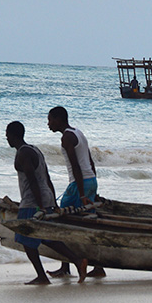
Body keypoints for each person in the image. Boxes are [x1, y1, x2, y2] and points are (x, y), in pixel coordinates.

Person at [6, 121, 88, 285]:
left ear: (14, 136)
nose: (6, 138)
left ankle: (42, 276)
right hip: (46, 197)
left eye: (7, 135)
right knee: (46, 237)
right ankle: (78, 261)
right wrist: (52, 201)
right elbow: (47, 177)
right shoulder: (35, 149)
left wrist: (40, 206)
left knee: (25, 237)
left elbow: (33, 180)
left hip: (32, 201)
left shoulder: (23, 153)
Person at [46, 106, 105, 278]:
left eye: (50, 120)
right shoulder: (78, 133)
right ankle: (98, 265)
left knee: (61, 220)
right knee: (88, 222)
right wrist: (93, 186)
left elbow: (75, 166)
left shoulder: (67, 137)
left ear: (58, 119)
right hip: (90, 180)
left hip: (79, 184)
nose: (48, 124)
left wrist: (81, 194)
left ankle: (66, 267)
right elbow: (90, 161)